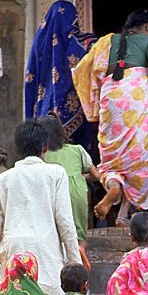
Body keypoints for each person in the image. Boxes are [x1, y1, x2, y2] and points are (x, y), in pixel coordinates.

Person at [72, 8, 148, 223]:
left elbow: (83, 67)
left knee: (115, 161)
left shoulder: (109, 41)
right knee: (140, 159)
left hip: (111, 95)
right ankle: (123, 211)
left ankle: (118, 203)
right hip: (137, 95)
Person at [0, 120, 82, 295]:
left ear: (17, 148)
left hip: (13, 255)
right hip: (48, 256)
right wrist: (76, 266)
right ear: (45, 147)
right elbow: (65, 223)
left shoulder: (3, 180)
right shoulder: (57, 174)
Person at [24, 0, 93, 143]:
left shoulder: (39, 42)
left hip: (44, 106)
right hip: (76, 111)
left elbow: (30, 78)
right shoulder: (77, 43)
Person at [41, 113, 99, 267]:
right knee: (79, 235)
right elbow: (96, 176)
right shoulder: (77, 150)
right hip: (77, 193)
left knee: (56, 234)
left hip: (55, 195)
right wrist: (80, 178)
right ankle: (80, 258)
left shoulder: (43, 155)